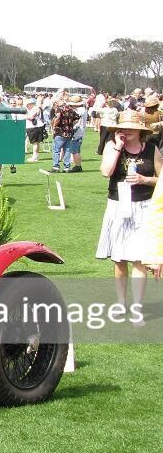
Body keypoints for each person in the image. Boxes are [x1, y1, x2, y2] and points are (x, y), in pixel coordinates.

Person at [96, 110, 162, 321]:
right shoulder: (112, 146)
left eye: (130, 128)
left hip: (144, 206)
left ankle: (136, 307)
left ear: (140, 131)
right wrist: (117, 147)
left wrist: (144, 180)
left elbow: (160, 180)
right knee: (119, 259)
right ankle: (121, 303)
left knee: (140, 260)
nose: (125, 131)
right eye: (122, 127)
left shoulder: (151, 149)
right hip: (117, 205)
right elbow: (106, 172)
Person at [50, 95, 78, 173]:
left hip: (60, 132)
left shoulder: (60, 110)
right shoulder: (72, 110)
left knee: (56, 150)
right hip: (69, 133)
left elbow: (57, 119)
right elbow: (77, 118)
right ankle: (67, 167)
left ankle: (56, 166)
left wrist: (54, 126)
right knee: (67, 151)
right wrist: (71, 125)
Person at [24, 97, 46, 161]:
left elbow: (31, 117)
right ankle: (36, 156)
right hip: (36, 127)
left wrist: (23, 116)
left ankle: (35, 157)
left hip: (34, 127)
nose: (27, 106)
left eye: (27, 105)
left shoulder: (35, 108)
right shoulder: (35, 108)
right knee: (36, 143)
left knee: (35, 143)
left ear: (31, 104)